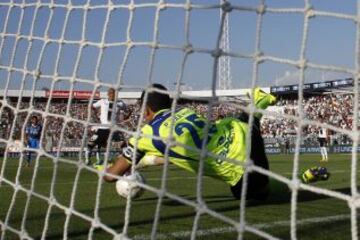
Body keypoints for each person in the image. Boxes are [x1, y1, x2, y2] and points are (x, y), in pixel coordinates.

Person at [104, 83, 277, 200]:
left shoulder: (146, 135)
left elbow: (111, 177)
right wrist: (144, 162)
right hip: (244, 131)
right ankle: (259, 101)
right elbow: (170, 156)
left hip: (241, 166)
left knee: (250, 194)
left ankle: (299, 180)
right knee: (239, 125)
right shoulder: (185, 111)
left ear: (147, 109)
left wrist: (105, 170)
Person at [85, 88, 126, 167]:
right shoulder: (102, 101)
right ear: (107, 94)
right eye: (110, 93)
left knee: (123, 145)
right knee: (90, 144)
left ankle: (127, 163)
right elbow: (91, 106)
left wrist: (124, 117)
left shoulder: (120, 103)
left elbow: (126, 110)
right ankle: (87, 160)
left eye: (114, 93)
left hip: (114, 128)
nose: (112, 95)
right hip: (102, 128)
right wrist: (95, 115)